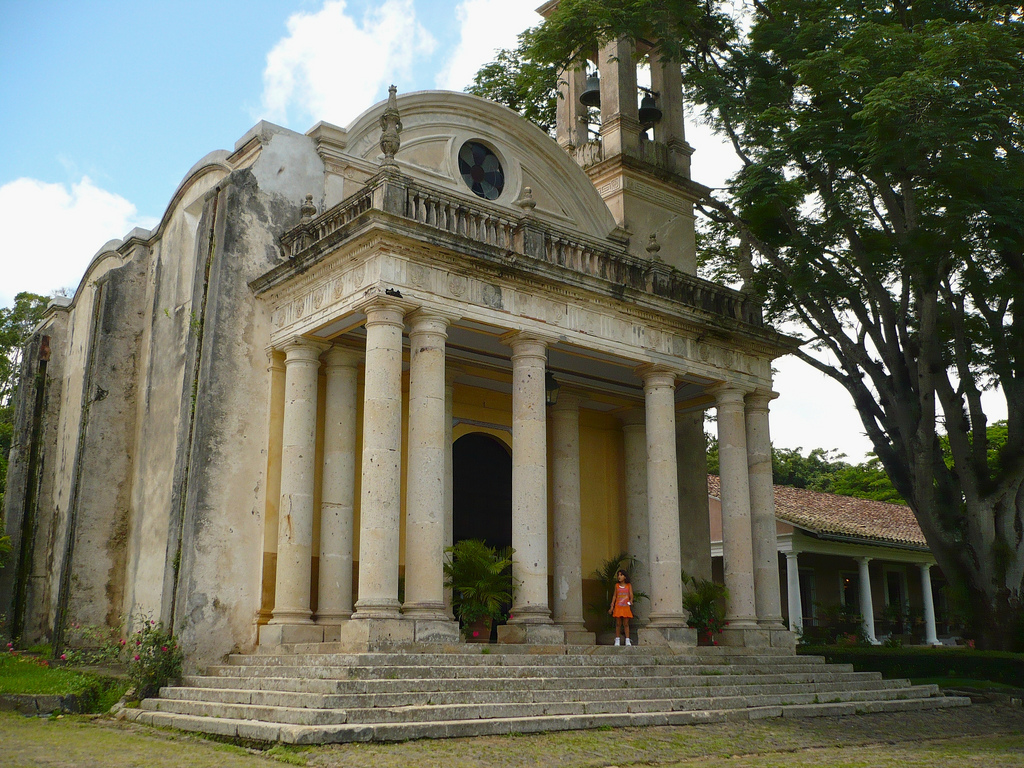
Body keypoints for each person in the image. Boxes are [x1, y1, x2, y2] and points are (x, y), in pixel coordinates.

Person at [608, 569, 634, 646]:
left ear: (625, 577)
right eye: (618, 575)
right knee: (618, 623)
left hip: (625, 607)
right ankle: (617, 639)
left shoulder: (629, 585)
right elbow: (614, 595)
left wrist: (631, 600)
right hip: (618, 606)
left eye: (621, 575)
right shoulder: (616, 586)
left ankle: (627, 639)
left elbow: (631, 594)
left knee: (626, 623)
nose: (619, 577)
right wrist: (612, 606)